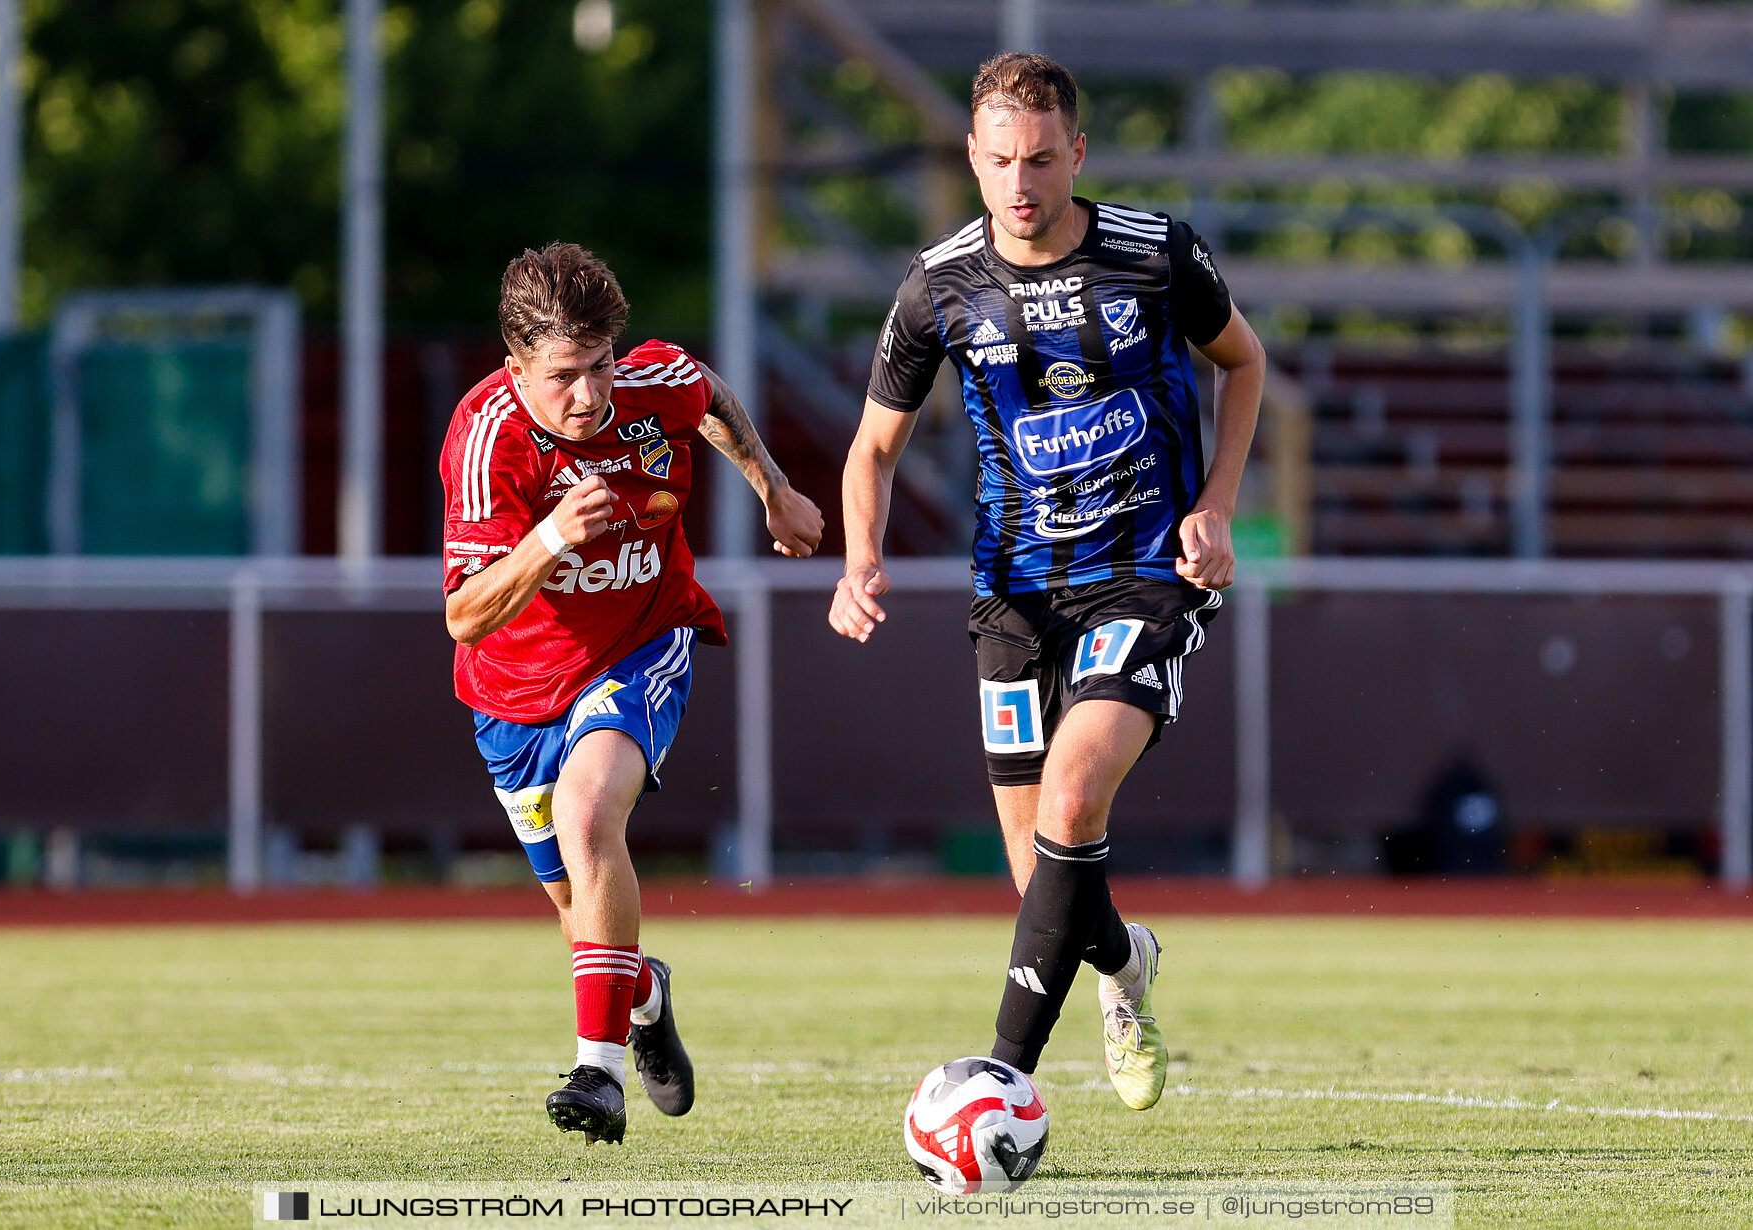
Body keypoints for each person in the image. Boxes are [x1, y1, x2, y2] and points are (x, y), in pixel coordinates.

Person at [830, 52, 1264, 1110]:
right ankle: (1127, 969)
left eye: (1037, 158)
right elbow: (871, 450)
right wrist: (862, 556)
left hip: (1143, 579)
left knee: (1075, 794)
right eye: (996, 162)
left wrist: (1214, 507)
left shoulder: (1156, 254)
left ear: (1076, 152)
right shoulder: (940, 284)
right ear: (972, 162)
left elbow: (1244, 365)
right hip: (1015, 594)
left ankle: (1001, 1079)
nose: (1018, 182)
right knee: (1041, 876)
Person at [441, 242, 823, 1144]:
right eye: (564, 376)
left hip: (643, 642)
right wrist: (547, 541)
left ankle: (598, 1073)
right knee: (585, 923)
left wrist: (771, 485)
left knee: (587, 817)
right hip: (512, 689)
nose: (591, 394)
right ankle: (642, 994)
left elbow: (710, 395)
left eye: (601, 365)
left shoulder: (647, 388)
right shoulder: (485, 439)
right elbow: (464, 617)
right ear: (515, 370)